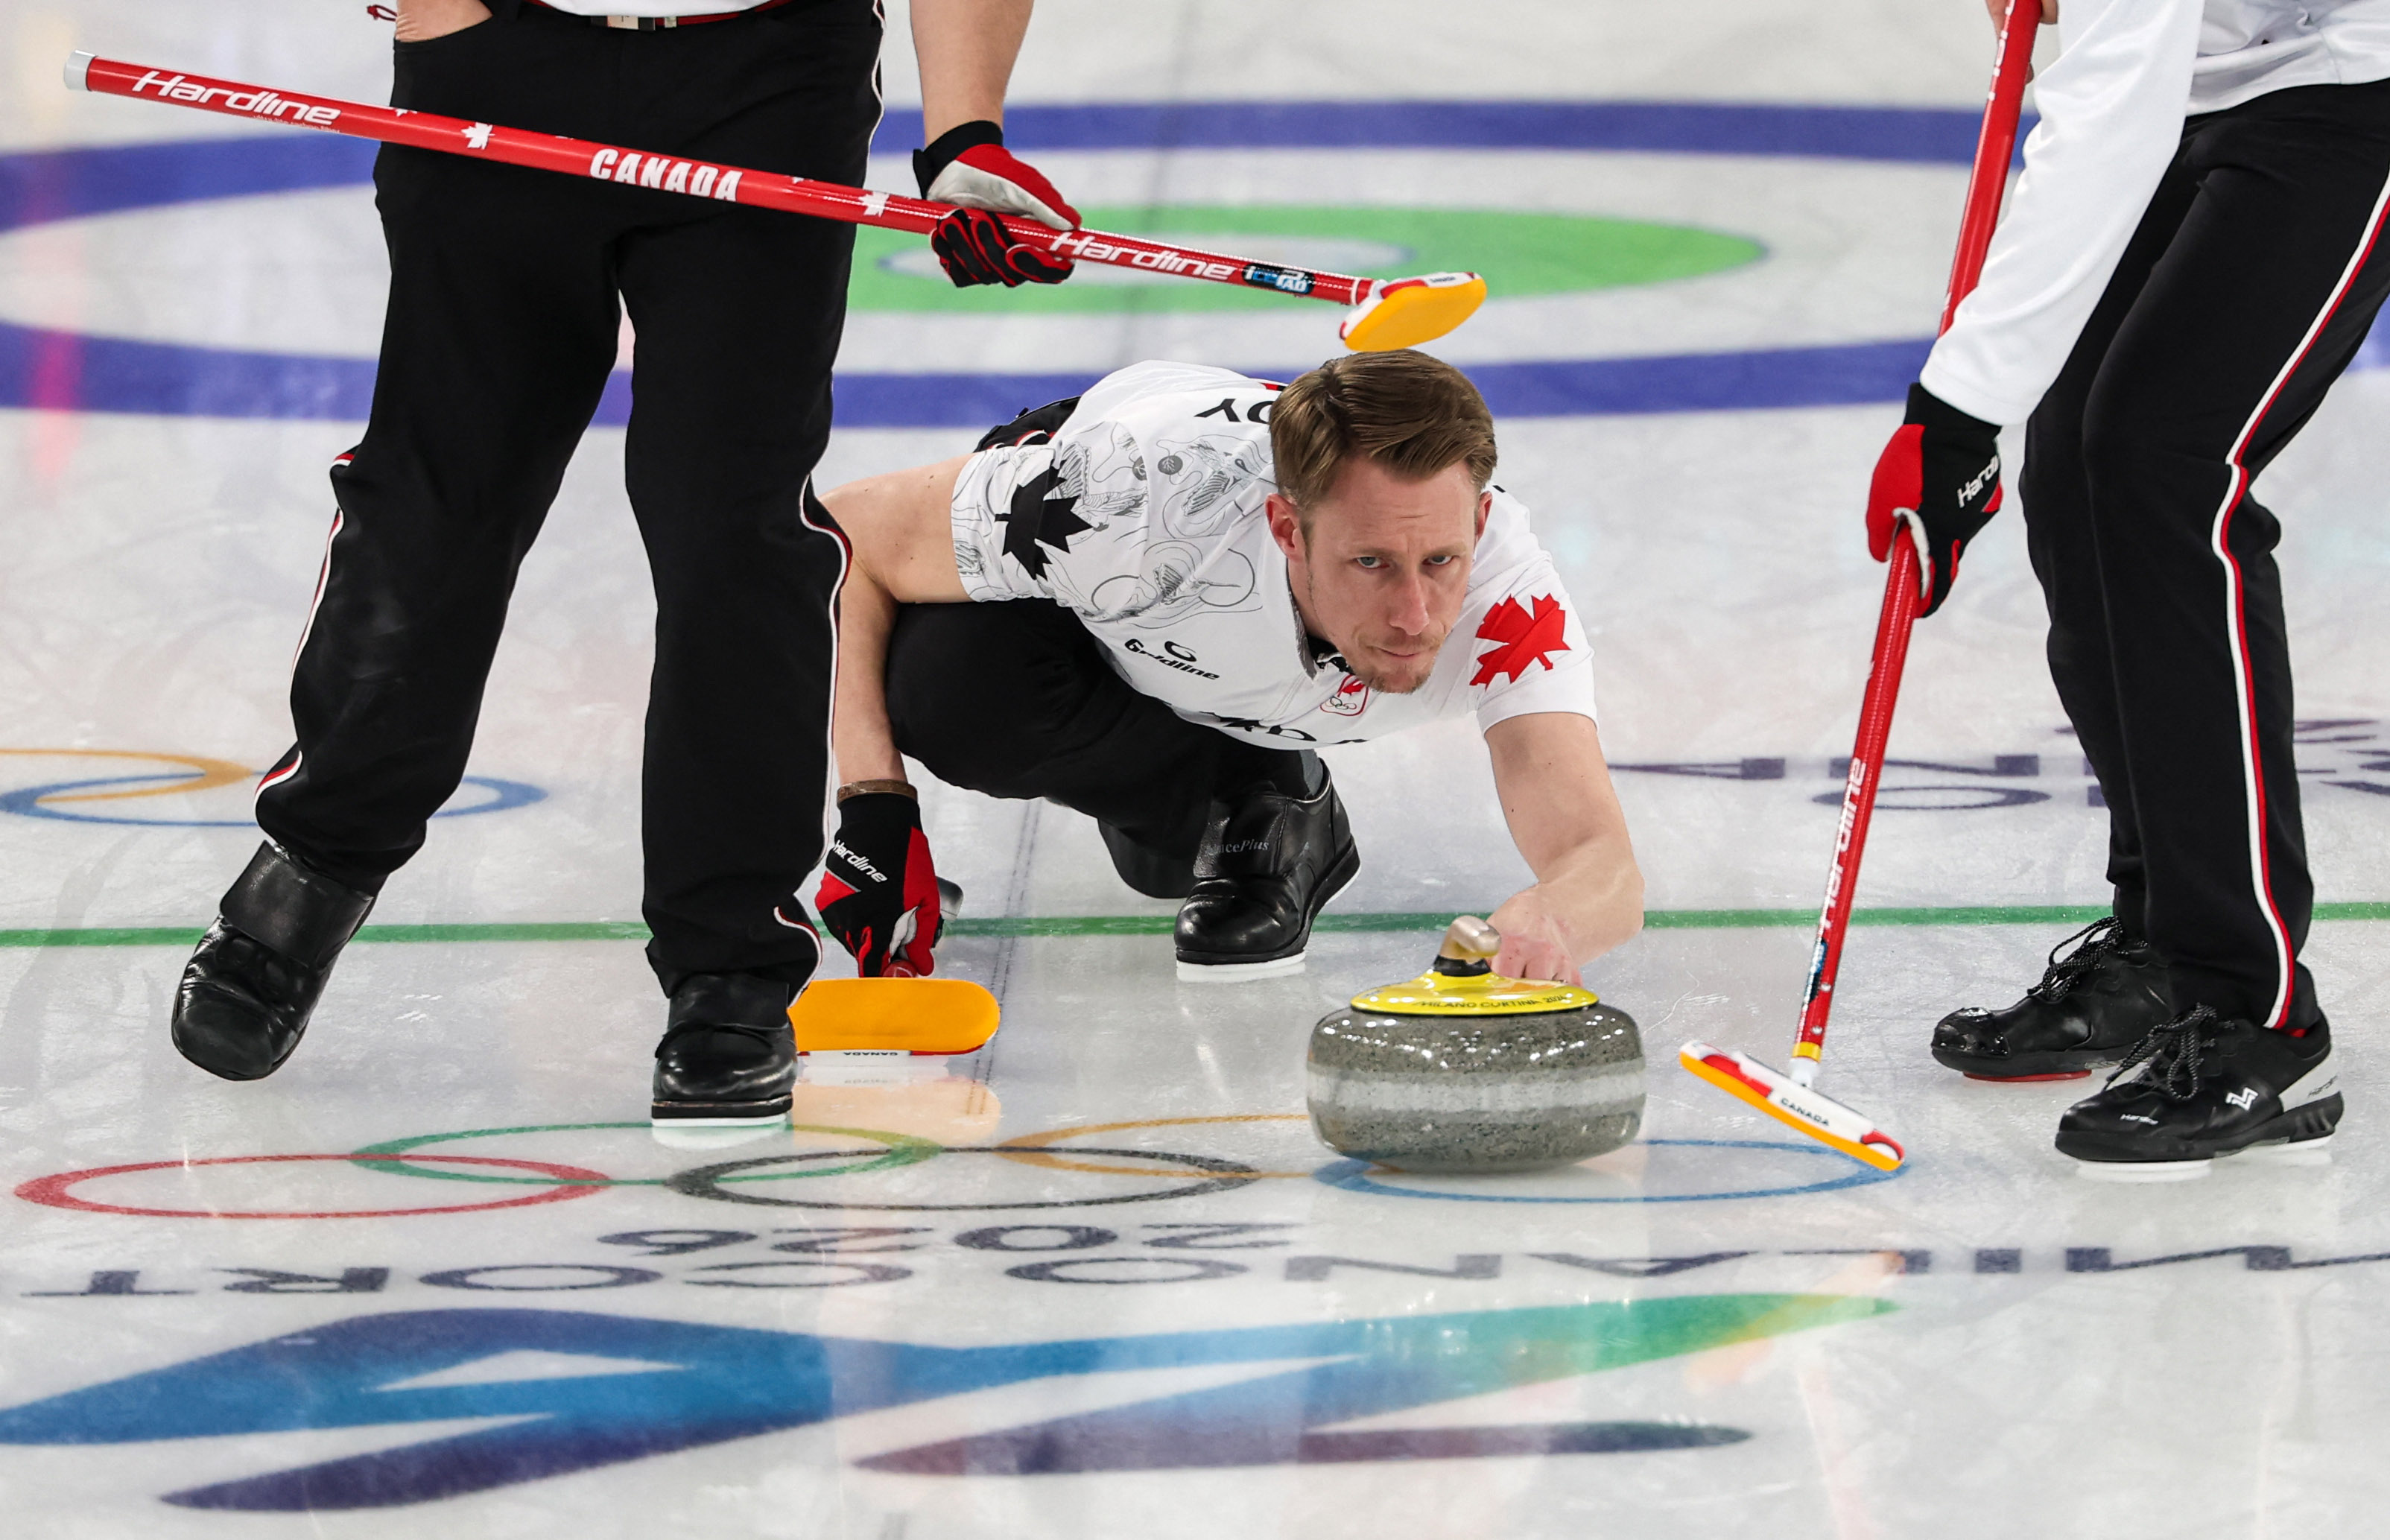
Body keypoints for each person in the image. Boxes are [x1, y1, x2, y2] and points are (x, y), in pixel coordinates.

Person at [167, 0, 1080, 1127]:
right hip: (502, 52)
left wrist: (964, 134)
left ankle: (731, 960)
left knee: (729, 526)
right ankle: (321, 856)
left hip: (769, 79)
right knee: (437, 491)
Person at [1867, 0, 2389, 1173]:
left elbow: (2107, 103)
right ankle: (2162, 943)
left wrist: (1955, 412)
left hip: (2359, 82)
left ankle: (2251, 999)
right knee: (2074, 463)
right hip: (2223, 75)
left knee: (2167, 461)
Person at [809, 349, 1644, 989]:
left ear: (1480, 523)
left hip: (1179, 645)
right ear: (1286, 529)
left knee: (1167, 865)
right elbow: (842, 536)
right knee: (948, 688)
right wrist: (874, 804)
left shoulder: (1510, 606)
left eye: (1440, 560)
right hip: (1099, 583)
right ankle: (1244, 785)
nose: (1415, 615)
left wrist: (1553, 915)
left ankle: (1256, 793)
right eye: (1370, 563)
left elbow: (1597, 856)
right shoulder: (1122, 502)